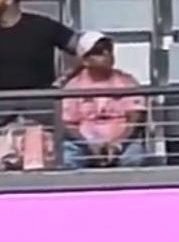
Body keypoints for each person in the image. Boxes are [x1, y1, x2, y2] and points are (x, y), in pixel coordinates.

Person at [59, 32, 147, 168]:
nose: (107, 54)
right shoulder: (73, 86)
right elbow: (67, 124)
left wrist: (118, 144)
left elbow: (136, 118)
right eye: (99, 52)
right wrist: (89, 145)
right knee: (68, 159)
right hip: (83, 144)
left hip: (123, 143)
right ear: (85, 60)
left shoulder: (127, 82)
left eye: (109, 49)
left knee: (135, 158)